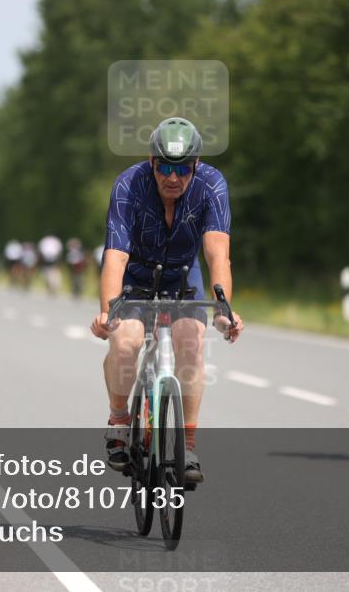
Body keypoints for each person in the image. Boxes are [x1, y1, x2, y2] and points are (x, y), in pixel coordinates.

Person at [89, 117, 243, 484]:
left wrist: (223, 311)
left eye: (183, 168)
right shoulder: (129, 184)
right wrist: (108, 310)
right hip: (135, 276)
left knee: (191, 341)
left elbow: (217, 254)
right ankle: (119, 420)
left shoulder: (211, 186)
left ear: (197, 165)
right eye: (165, 167)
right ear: (151, 161)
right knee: (124, 342)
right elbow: (116, 256)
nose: (173, 177)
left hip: (180, 276)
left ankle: (187, 445)